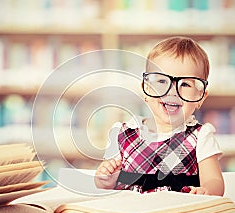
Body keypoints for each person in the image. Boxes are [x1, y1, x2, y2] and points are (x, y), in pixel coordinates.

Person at [94, 36, 224, 196]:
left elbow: (214, 181)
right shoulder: (122, 134)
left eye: (185, 84)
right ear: (146, 90)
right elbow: (107, 184)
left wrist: (207, 191)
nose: (172, 91)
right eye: (162, 81)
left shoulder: (200, 137)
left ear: (201, 96)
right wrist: (105, 179)